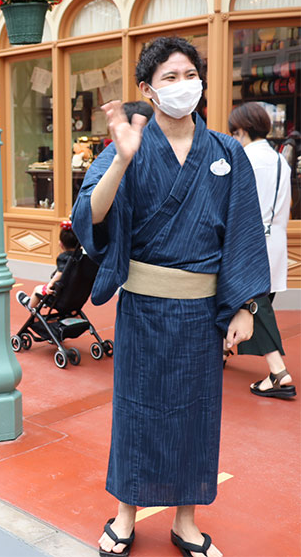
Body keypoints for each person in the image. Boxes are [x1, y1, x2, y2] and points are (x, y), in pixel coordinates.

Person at [71, 37, 270, 557]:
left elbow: (246, 234)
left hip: (202, 312)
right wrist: (121, 161)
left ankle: (186, 521)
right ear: (147, 89)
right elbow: (89, 217)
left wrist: (247, 307)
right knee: (136, 409)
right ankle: (125, 515)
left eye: (189, 75)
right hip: (144, 307)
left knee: (196, 413)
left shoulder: (227, 152)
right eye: (169, 78)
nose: (183, 86)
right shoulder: (124, 147)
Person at [229, 102, 295, 399]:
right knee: (258, 302)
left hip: (250, 241)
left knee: (255, 306)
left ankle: (278, 371)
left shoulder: (244, 158)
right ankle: (223, 348)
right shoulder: (281, 160)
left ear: (242, 131)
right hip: (276, 241)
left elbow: (235, 206)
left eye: (235, 132)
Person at [27, 220, 79, 309]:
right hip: (77, 297)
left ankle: (31, 308)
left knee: (38, 289)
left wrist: (50, 284)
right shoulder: (81, 257)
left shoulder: (64, 258)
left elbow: (61, 273)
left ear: (61, 244)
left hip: (60, 298)